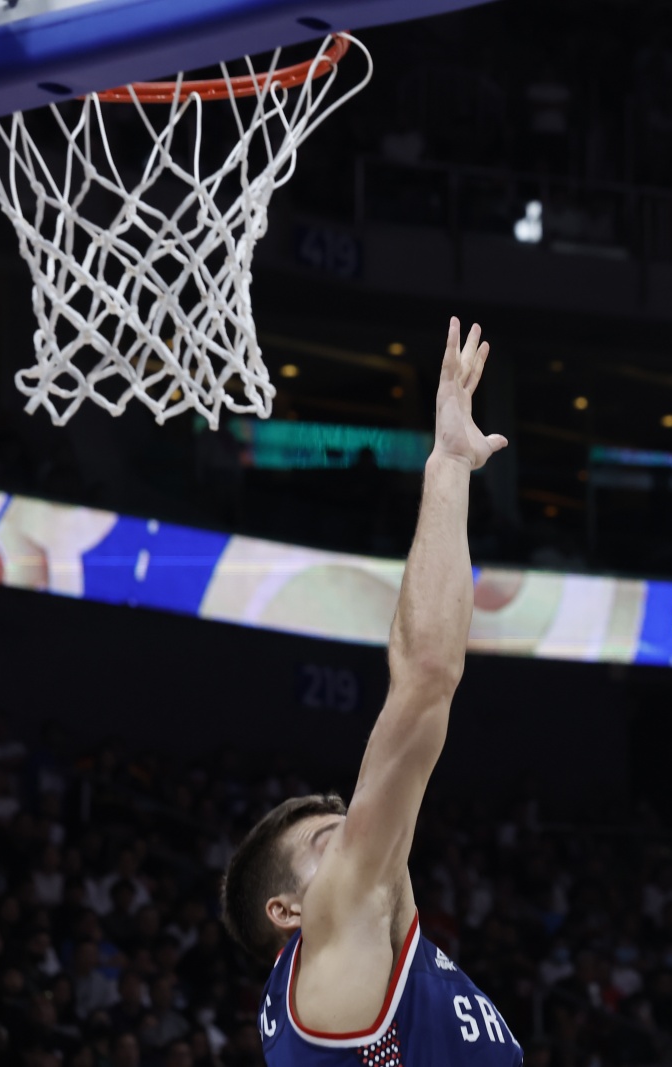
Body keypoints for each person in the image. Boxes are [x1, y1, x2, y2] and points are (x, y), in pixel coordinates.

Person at [218, 320, 522, 1065]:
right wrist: (449, 465)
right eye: (333, 839)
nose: (363, 831)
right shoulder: (339, 934)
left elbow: (409, 680)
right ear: (289, 911)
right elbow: (423, 678)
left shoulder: (377, 959)